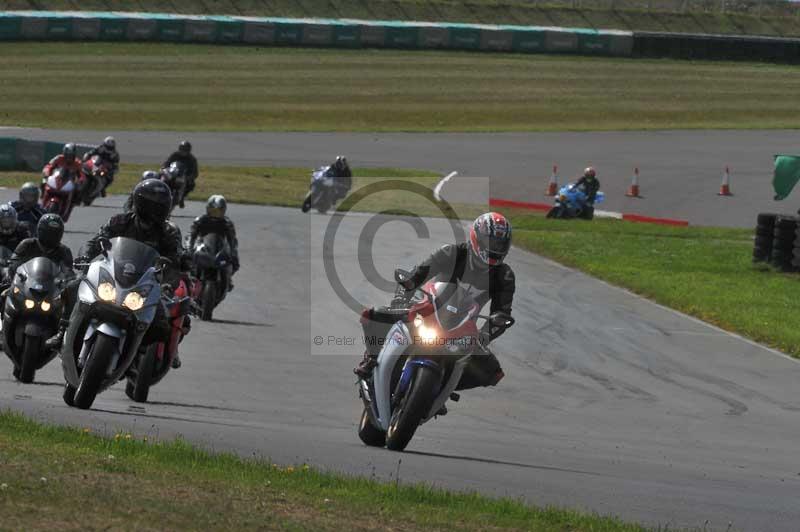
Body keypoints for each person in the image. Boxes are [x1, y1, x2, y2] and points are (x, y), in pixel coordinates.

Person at [355, 212, 515, 391]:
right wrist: (400, 300)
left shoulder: (504, 276)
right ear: (476, 237)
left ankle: (442, 387)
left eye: (500, 244)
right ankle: (371, 359)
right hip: (425, 309)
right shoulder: (451, 252)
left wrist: (484, 336)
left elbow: (502, 314)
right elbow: (415, 277)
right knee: (373, 315)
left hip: (462, 328)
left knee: (493, 373)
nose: (495, 247)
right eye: (491, 242)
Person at [45, 179, 187, 367]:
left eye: (160, 207)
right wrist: (85, 256)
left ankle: (138, 353)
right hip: (112, 276)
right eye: (151, 205)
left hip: (143, 284)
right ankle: (62, 332)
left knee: (161, 321)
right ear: (140, 203)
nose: (155, 211)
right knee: (73, 287)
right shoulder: (120, 221)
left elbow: (174, 262)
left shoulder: (167, 234)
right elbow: (97, 240)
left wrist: (169, 284)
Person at [188, 195, 240, 291]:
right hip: (202, 246)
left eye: (218, 212)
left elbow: (233, 241)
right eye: (213, 211)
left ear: (223, 211)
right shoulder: (200, 220)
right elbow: (191, 235)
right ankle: (190, 279)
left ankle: (228, 279)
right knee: (187, 260)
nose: (215, 214)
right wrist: (189, 249)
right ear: (208, 209)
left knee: (235, 263)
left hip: (219, 248)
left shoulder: (227, 223)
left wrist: (233, 254)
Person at [9, 214, 73, 277]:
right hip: (26, 284)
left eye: (55, 233)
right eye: (49, 232)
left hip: (52, 286)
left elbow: (68, 273)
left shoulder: (64, 250)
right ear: (40, 231)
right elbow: (14, 264)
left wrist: (71, 279)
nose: (52, 236)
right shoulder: (27, 244)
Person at [162, 141, 198, 208]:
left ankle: (182, 197)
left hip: (183, 177)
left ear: (189, 151)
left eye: (185, 150)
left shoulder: (192, 159)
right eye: (182, 149)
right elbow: (166, 163)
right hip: (172, 174)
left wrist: (189, 177)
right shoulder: (174, 155)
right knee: (161, 178)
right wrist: (164, 169)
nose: (183, 151)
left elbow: (195, 173)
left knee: (191, 184)